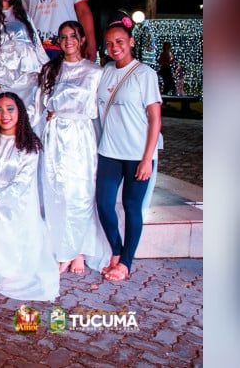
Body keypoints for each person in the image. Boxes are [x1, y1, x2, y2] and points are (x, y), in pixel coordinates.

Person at [0, 92, 59, 301]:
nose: (4, 115)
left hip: (14, 197)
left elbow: (22, 183)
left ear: (20, 112)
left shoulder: (29, 144)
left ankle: (6, 267)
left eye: (10, 109)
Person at [38, 20, 111, 276]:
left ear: (82, 39)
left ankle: (79, 250)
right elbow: (40, 104)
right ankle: (62, 250)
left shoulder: (95, 72)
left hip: (80, 136)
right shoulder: (51, 70)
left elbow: (103, 106)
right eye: (63, 37)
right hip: (55, 136)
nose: (68, 41)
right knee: (56, 192)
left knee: (80, 193)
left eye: (73, 36)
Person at [95, 18, 163, 282]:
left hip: (137, 154)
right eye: (109, 43)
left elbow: (155, 119)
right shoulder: (105, 71)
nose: (115, 47)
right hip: (109, 151)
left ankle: (125, 262)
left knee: (132, 206)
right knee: (103, 204)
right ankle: (115, 250)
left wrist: (147, 159)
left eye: (120, 41)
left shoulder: (145, 74)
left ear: (131, 42)